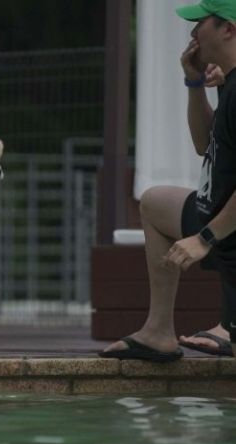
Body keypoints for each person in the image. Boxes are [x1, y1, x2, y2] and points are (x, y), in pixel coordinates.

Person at [100, 0, 236, 362]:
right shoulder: (229, 81)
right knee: (155, 202)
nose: (192, 33)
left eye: (201, 23)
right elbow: (203, 144)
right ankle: (159, 331)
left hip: (226, 231)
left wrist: (204, 239)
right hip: (222, 223)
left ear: (228, 29)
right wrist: (194, 83)